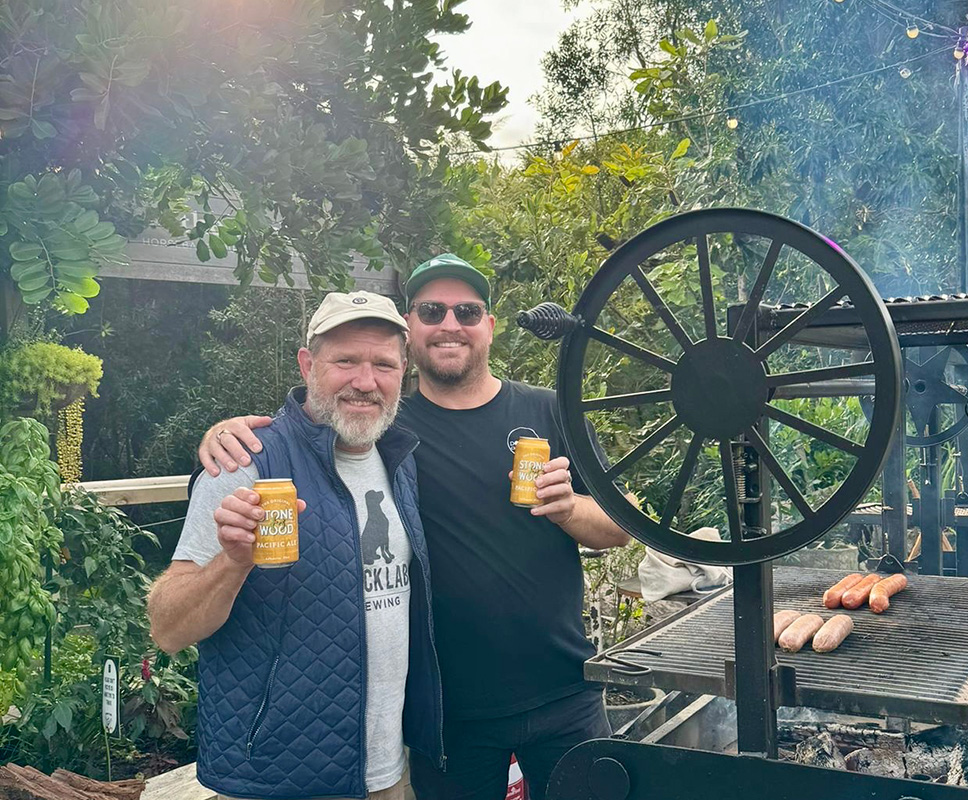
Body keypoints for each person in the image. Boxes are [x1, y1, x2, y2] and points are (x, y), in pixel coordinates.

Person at [199, 254, 632, 800]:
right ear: (412, 335)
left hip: (566, 688)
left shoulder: (550, 411)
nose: (450, 323)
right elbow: (309, 424)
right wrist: (226, 433)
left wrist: (570, 508)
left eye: (467, 311)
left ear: (489, 327)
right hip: (447, 710)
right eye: (432, 310)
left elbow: (621, 525)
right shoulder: (382, 427)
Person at [148, 292, 445, 800]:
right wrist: (233, 562)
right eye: (345, 361)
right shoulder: (245, 464)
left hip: (388, 774)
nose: (365, 381)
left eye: (383, 364)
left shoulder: (402, 461)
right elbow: (167, 628)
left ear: (404, 373)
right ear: (308, 365)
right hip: (277, 780)